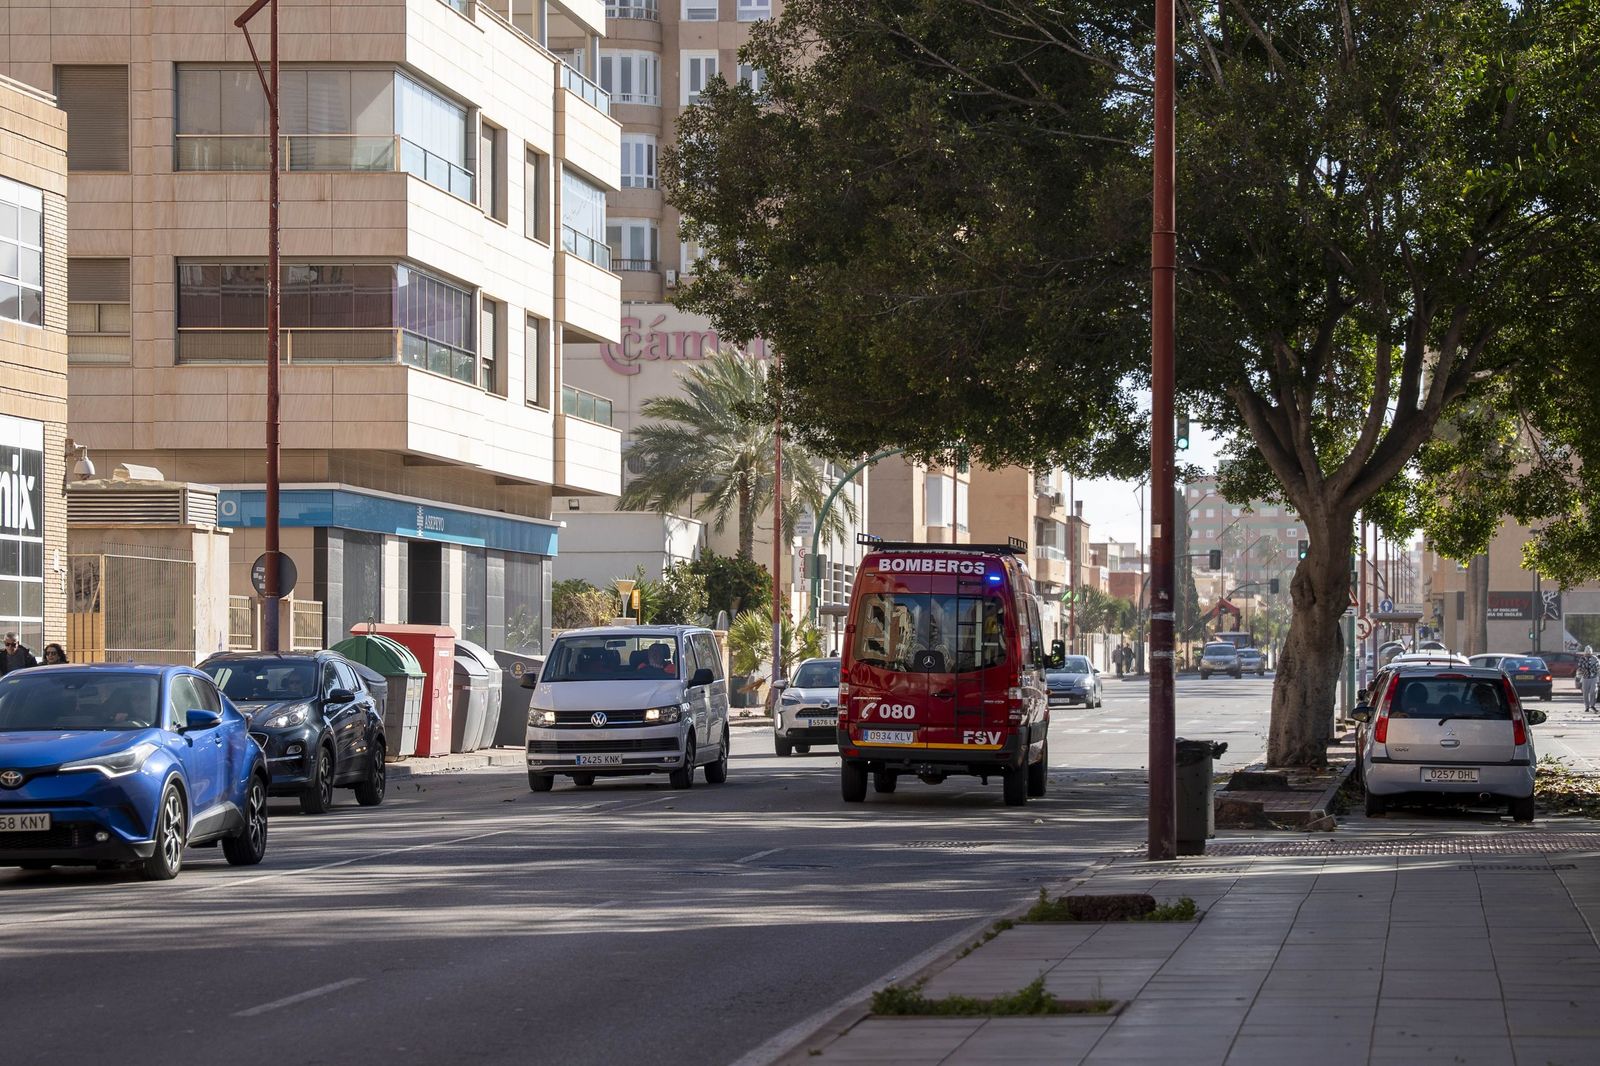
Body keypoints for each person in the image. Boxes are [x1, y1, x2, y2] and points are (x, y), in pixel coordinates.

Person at [1579, 645, 1600, 713]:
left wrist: (1595, 672)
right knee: (1585, 693)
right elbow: (1580, 667)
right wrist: (1582, 672)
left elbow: (1598, 668)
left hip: (1593, 677)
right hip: (1585, 678)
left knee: (1593, 691)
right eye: (1587, 653)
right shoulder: (1582, 659)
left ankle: (1592, 705)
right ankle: (1587, 707)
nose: (1588, 655)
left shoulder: (1595, 659)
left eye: (1589, 653)